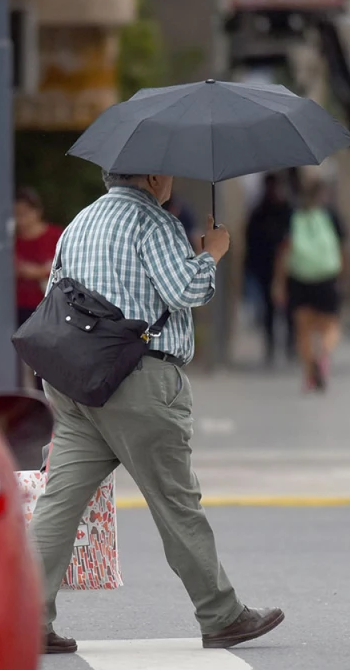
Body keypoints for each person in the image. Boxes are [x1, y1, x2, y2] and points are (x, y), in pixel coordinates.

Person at [29, 172, 285, 654]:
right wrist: (211, 252)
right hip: (138, 382)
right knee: (176, 502)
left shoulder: (78, 223)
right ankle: (221, 614)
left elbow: (55, 297)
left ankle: (26, 617)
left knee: (59, 504)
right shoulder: (154, 223)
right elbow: (184, 290)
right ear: (152, 176)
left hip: (77, 382)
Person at [274, 177, 345, 392]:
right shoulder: (331, 216)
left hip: (300, 278)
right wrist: (340, 275)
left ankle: (309, 374)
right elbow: (342, 249)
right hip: (326, 278)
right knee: (331, 326)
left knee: (303, 330)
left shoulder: (291, 218)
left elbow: (284, 252)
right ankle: (323, 355)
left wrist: (279, 283)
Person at [244, 173, 295, 365]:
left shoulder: (287, 211)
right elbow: (252, 242)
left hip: (288, 268)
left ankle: (290, 344)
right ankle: (272, 345)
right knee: (268, 310)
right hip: (266, 269)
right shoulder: (260, 213)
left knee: (289, 309)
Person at [13, 187, 62, 389]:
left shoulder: (55, 236)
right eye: (16, 215)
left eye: (24, 213)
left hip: (49, 306)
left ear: (37, 211)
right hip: (20, 306)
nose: (21, 220)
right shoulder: (11, 242)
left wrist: (38, 272)